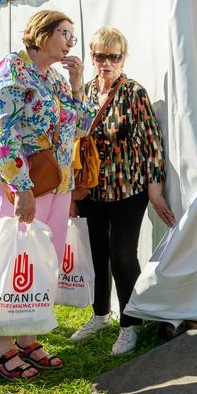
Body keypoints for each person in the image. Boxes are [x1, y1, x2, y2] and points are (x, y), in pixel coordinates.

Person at [0, 10, 85, 379]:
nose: (71, 41)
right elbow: (0, 131)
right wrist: (20, 187)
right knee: (16, 261)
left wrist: (76, 82)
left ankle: (26, 336)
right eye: (64, 33)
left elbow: (80, 126)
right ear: (41, 33)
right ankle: (0, 348)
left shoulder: (54, 77)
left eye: (73, 35)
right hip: (20, 181)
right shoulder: (12, 69)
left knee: (43, 259)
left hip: (54, 182)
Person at [70, 27, 177, 355]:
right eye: (100, 56)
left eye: (113, 57)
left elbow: (152, 144)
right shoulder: (86, 91)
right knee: (98, 255)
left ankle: (130, 324)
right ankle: (101, 314)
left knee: (122, 255)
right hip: (93, 189)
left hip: (129, 188)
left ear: (123, 58)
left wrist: (155, 190)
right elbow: (74, 132)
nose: (106, 63)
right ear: (92, 56)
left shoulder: (133, 92)